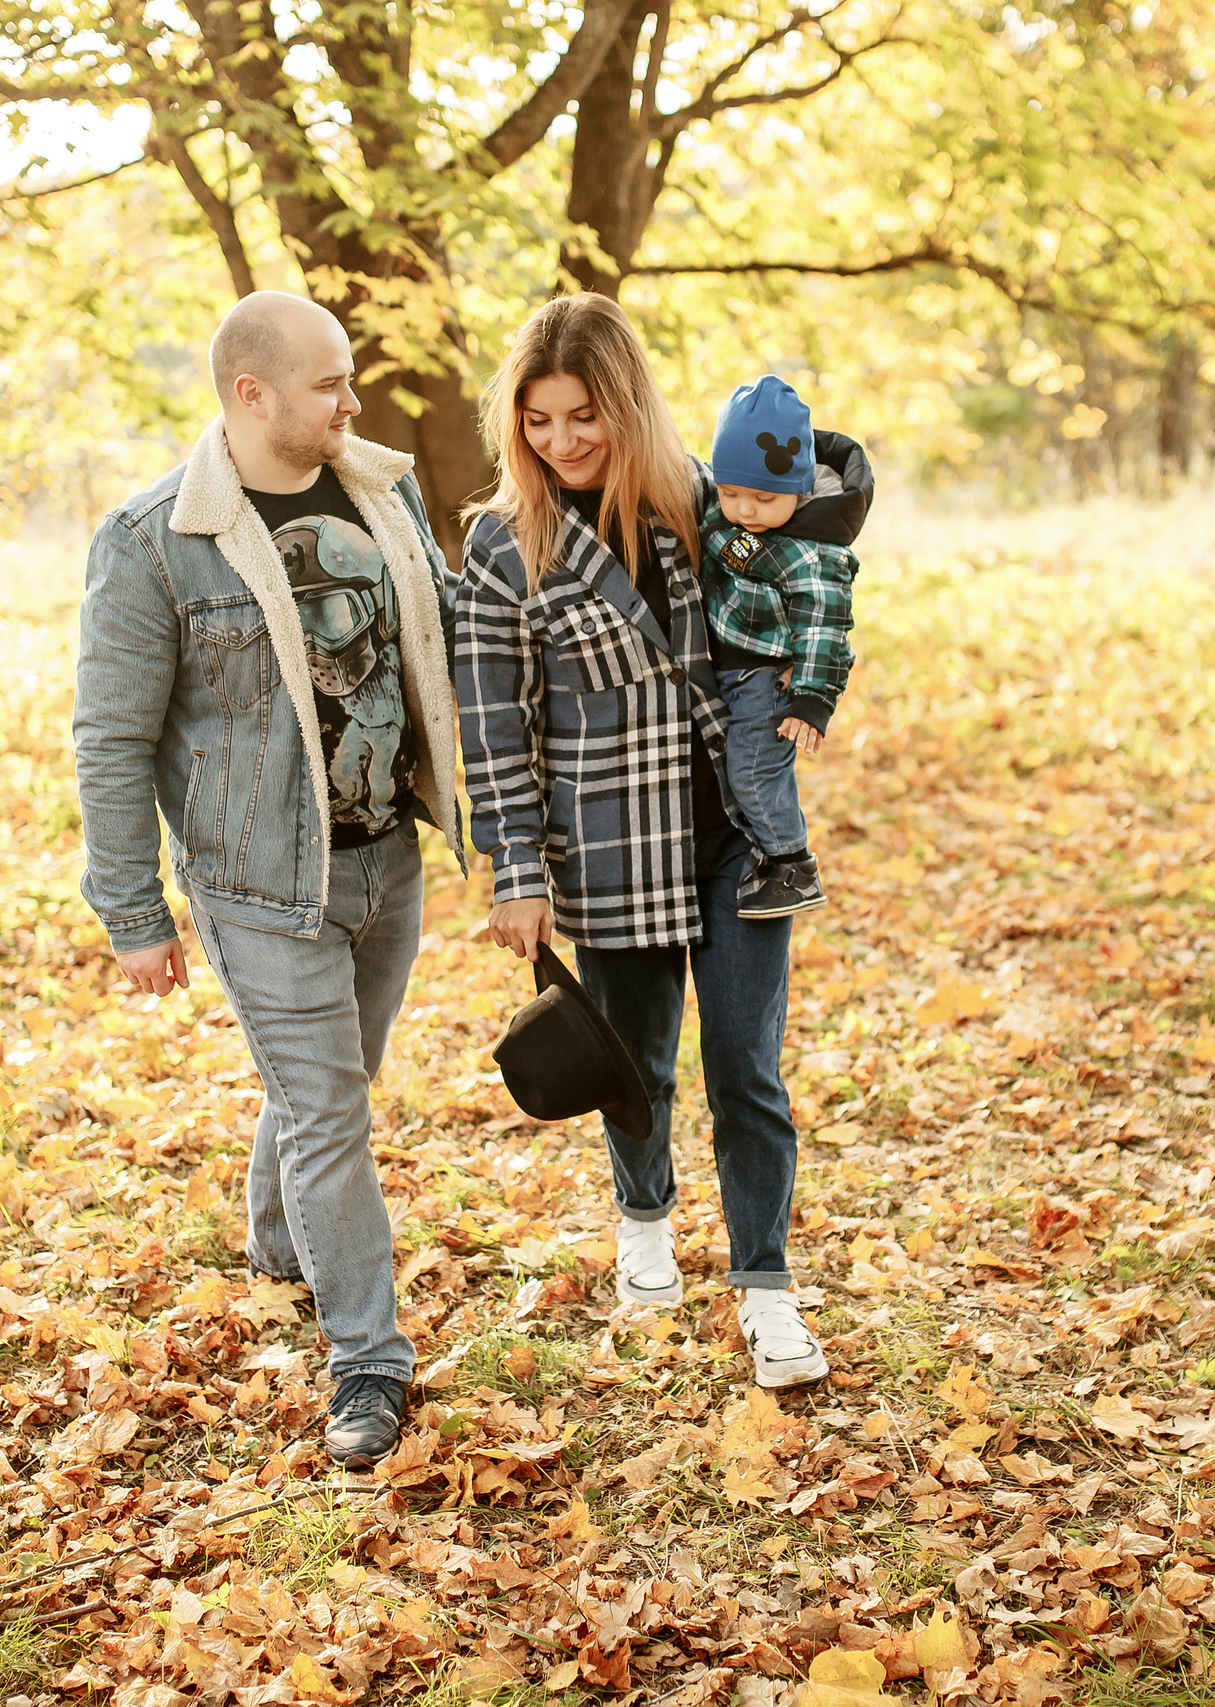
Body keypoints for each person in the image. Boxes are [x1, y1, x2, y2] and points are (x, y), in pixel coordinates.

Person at [72, 291, 463, 1466]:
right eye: (328, 383)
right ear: (252, 394)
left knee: (329, 1089)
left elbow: (443, 645)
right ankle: (368, 1362)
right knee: (330, 1112)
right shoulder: (155, 540)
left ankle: (281, 1249)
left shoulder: (381, 494)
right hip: (258, 885)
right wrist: (132, 911)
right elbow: (110, 739)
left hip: (385, 856)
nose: (352, 401)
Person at [453, 292, 829, 1389]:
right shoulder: (502, 547)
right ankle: (645, 1221)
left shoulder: (703, 506)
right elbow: (494, 726)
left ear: (627, 405)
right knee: (639, 1069)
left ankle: (767, 1291)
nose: (561, 441)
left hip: (737, 843)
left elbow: (814, 574)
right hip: (610, 845)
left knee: (748, 1072)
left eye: (584, 416)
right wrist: (516, 871)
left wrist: (805, 686)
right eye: (538, 421)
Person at [699, 375, 873, 918]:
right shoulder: (741, 522)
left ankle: (792, 866)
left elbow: (824, 626)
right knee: (740, 769)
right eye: (730, 493)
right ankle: (770, 854)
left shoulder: (812, 551)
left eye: (764, 498)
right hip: (735, 671)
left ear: (798, 490)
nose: (745, 510)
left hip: (768, 680)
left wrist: (812, 699)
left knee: (753, 771)